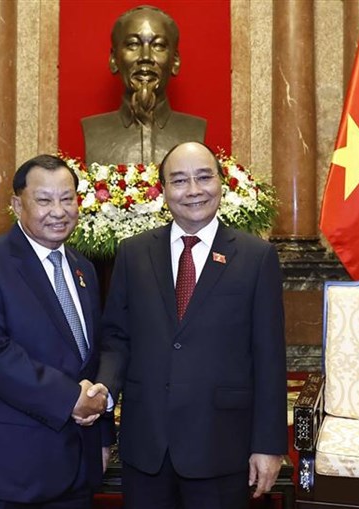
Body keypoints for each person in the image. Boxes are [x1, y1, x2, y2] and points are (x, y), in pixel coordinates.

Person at [95, 142, 288, 508]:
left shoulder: (255, 257)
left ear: (221, 183)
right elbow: (116, 340)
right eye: (180, 180)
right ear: (163, 190)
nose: (194, 190)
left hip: (221, 444)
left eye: (204, 177)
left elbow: (269, 357)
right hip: (147, 444)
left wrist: (268, 444)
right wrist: (101, 408)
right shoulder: (133, 253)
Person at [0, 154, 114, 509]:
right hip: (6, 471)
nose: (58, 210)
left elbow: (91, 357)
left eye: (67, 198)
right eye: (44, 200)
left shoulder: (83, 269)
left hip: (75, 469)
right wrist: (71, 398)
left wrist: (102, 435)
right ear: (16, 204)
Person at [81, 5, 206, 165]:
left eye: (158, 45)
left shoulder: (194, 130)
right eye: (133, 45)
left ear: (175, 61)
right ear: (113, 59)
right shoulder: (94, 130)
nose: (145, 57)